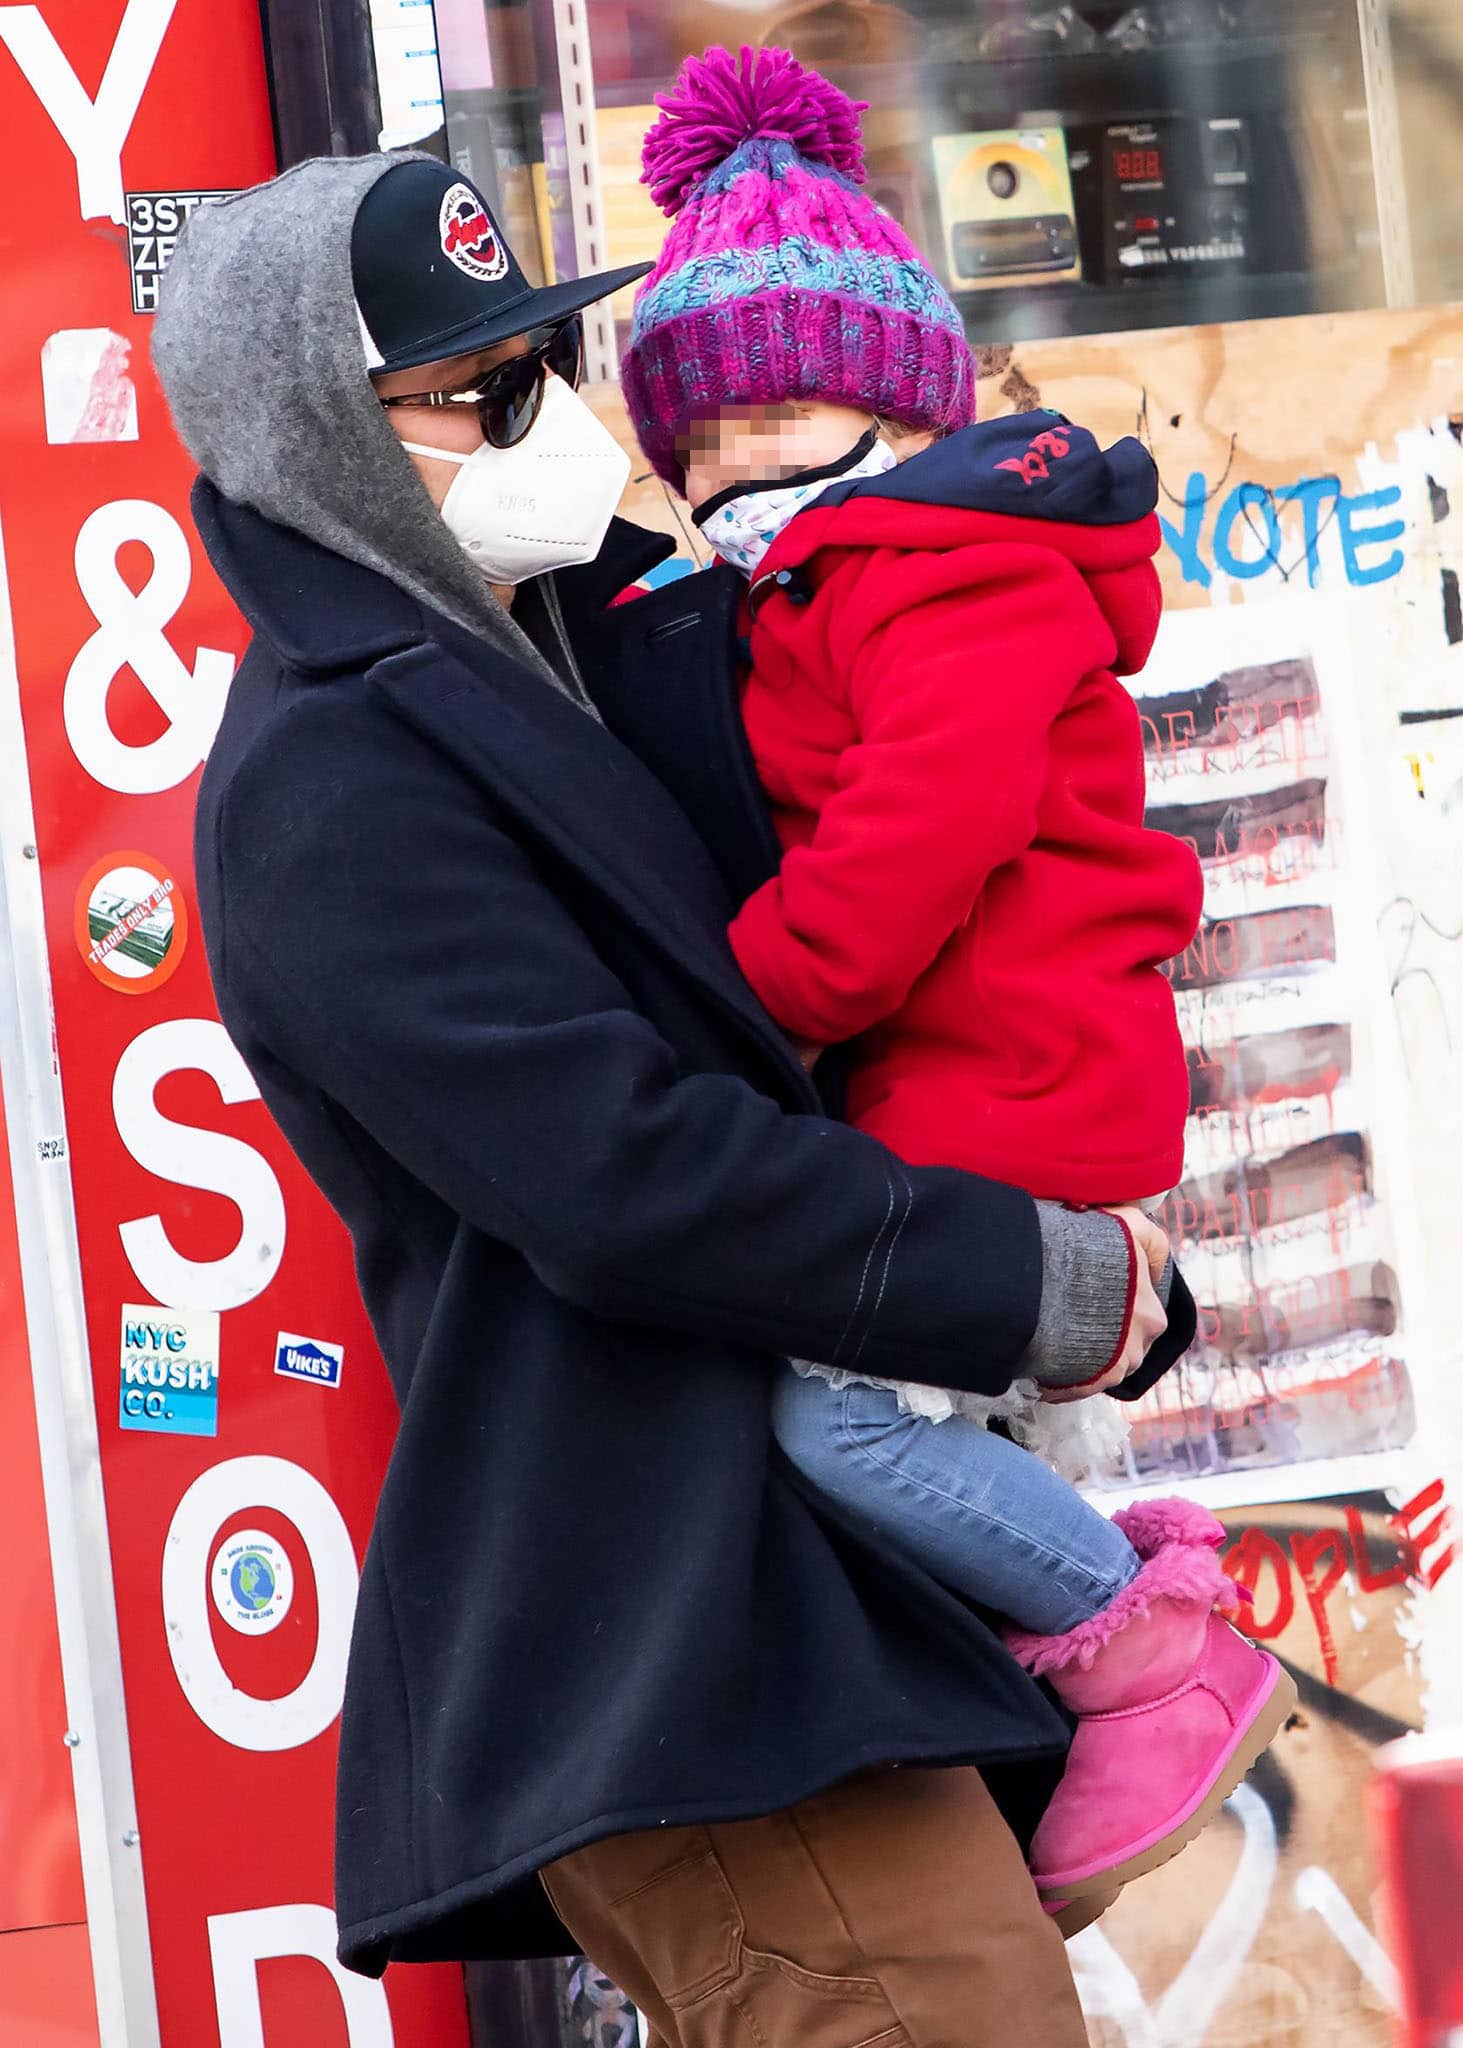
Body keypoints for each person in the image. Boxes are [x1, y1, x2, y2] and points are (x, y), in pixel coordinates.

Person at [152, 149, 1190, 2042]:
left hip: (780, 1611)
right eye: (476, 395)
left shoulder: (539, 641)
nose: (551, 423)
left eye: (547, 363)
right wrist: (1037, 1279)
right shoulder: (330, 785)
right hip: (677, 1636)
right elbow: (628, 1176)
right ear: (327, 433)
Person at [621, 43, 1296, 1913]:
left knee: (837, 1417)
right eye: (707, 458)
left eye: (788, 440)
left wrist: (752, 998)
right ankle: (1095, 1685)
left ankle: (1149, 1649)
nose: (743, 487)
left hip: (1005, 1087)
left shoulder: (945, 576)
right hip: (987, 1083)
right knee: (952, 1436)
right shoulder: (846, 579)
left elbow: (913, 845)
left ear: (895, 417)